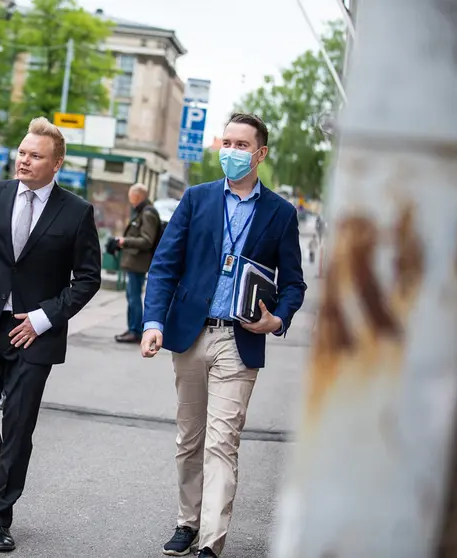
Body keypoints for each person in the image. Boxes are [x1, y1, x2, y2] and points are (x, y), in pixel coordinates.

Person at [141, 113, 306, 557]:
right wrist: (153, 323)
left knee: (221, 441)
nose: (230, 151)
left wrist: (279, 319)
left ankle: (210, 543)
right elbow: (164, 267)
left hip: (240, 340)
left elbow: (294, 283)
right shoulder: (196, 199)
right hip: (191, 336)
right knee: (189, 438)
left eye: (240, 144)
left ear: (260, 153)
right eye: (226, 142)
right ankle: (186, 521)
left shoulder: (280, 213)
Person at [0, 117, 101, 552]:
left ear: (57, 164)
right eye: (23, 153)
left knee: (17, 425)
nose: (25, 160)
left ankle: (1, 516)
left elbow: (87, 279)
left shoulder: (77, 212)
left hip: (35, 335)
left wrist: (44, 318)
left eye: (35, 156)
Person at [114, 183, 161, 344]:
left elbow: (147, 240)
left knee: (134, 297)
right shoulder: (142, 211)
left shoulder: (147, 213)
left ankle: (135, 330)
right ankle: (132, 328)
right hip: (134, 262)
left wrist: (125, 241)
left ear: (137, 196)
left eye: (131, 195)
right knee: (131, 296)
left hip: (138, 263)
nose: (129, 198)